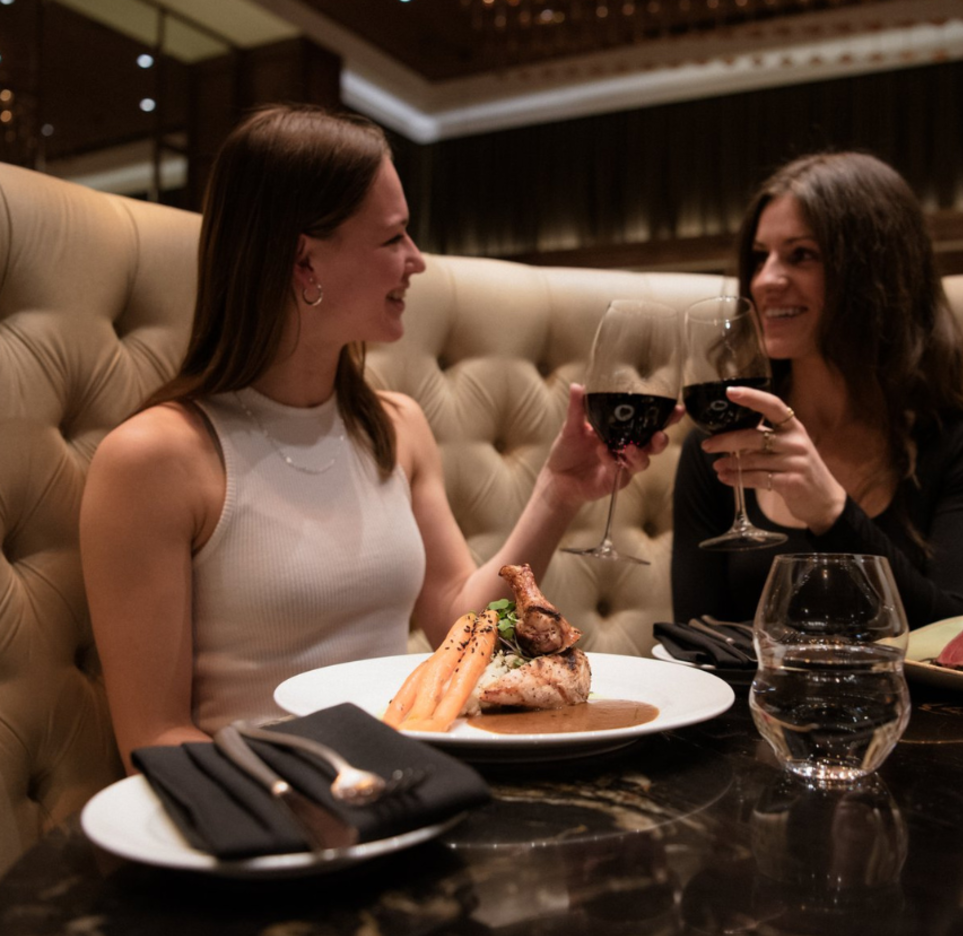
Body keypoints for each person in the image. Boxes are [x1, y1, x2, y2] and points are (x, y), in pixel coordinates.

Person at [80, 104, 671, 770]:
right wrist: (327, 801)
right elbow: (153, 739)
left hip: (413, 779)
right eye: (393, 239)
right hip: (266, 817)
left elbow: (456, 624)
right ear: (305, 262)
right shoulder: (156, 459)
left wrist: (558, 494)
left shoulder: (396, 426)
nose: (417, 261)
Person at [672, 151, 963, 629]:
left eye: (801, 255)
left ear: (875, 273)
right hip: (751, 706)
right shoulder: (718, 449)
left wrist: (831, 511)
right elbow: (695, 641)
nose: (765, 279)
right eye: (759, 257)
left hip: (908, 706)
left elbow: (958, 636)